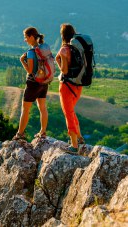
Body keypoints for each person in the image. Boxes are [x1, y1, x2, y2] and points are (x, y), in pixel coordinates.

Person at [13, 27, 48, 140]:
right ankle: (43, 132)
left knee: (25, 109)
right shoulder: (44, 48)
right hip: (44, 82)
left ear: (31, 37)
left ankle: (20, 134)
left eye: (26, 37)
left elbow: (30, 70)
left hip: (33, 83)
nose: (25, 40)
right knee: (42, 107)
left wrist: (22, 60)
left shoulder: (31, 52)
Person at [55, 23, 85, 154]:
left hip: (67, 86)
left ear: (62, 35)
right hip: (78, 85)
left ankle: (74, 145)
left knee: (68, 113)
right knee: (71, 111)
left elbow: (64, 70)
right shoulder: (77, 48)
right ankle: (79, 137)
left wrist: (59, 62)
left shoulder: (64, 50)